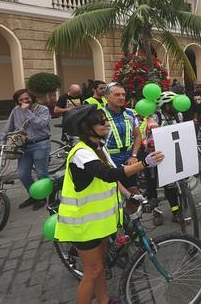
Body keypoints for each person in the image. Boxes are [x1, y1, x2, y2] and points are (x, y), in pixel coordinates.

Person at [55, 105, 163, 304]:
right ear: (86, 128)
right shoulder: (81, 153)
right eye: (99, 121)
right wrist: (144, 164)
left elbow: (112, 179)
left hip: (100, 221)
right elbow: (108, 174)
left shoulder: (99, 147)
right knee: (92, 271)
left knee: (101, 267)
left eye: (105, 119)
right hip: (82, 224)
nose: (105, 124)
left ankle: (104, 300)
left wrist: (128, 195)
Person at [2, 89, 51, 210]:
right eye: (21, 99)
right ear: (17, 101)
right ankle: (34, 195)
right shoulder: (16, 110)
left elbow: (41, 124)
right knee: (22, 173)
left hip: (41, 144)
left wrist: (28, 112)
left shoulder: (42, 109)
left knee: (41, 173)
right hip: (24, 146)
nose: (24, 101)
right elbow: (9, 126)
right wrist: (4, 142)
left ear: (32, 98)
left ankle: (43, 197)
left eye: (26, 98)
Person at [143, 91, 185, 225]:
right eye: (173, 104)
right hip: (154, 154)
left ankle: (175, 211)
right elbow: (149, 136)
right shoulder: (155, 116)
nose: (177, 106)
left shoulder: (179, 115)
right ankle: (156, 212)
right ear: (165, 105)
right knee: (152, 185)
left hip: (171, 154)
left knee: (170, 186)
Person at [103, 83, 142, 192]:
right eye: (117, 95)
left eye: (123, 95)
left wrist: (134, 156)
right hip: (110, 162)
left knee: (133, 196)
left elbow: (138, 136)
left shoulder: (130, 113)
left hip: (128, 160)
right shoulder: (100, 114)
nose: (121, 97)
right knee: (115, 194)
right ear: (106, 97)